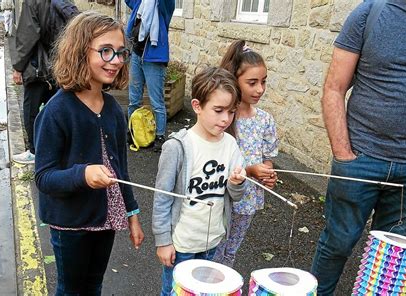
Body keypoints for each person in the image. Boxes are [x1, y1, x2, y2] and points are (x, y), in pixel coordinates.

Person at [34, 12, 145, 295]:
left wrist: (132, 214)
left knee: (94, 285)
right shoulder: (57, 111)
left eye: (121, 53)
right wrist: (82, 174)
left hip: (105, 218)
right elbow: (44, 178)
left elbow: (121, 170)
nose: (116, 60)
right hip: (71, 223)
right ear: (79, 51)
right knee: (71, 289)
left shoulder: (113, 110)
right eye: (105, 51)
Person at [311, 1, 406, 294]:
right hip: (360, 158)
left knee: (392, 263)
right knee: (337, 245)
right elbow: (334, 87)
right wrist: (344, 155)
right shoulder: (371, 13)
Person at [152, 66, 247, 296]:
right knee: (175, 292)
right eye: (218, 110)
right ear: (197, 106)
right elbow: (162, 198)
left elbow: (236, 196)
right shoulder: (177, 147)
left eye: (231, 111)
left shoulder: (231, 145)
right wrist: (163, 241)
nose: (226, 118)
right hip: (181, 243)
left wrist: (237, 183)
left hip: (212, 242)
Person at [212, 40, 279, 267]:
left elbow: (267, 158)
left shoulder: (265, 120)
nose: (260, 89)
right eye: (252, 83)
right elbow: (213, 164)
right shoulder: (222, 119)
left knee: (230, 251)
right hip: (220, 199)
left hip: (248, 200)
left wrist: (267, 174)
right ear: (234, 80)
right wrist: (250, 171)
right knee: (213, 250)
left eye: (263, 82)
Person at [11, 0, 59, 164]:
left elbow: (27, 36)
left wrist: (18, 67)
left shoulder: (32, 2)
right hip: (59, 66)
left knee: (31, 111)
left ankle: (34, 151)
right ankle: (56, 150)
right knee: (56, 110)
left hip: (38, 67)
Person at [124, 0, 175, 152]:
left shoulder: (163, 8)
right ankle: (132, 130)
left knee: (156, 101)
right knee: (134, 98)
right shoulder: (139, 3)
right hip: (136, 55)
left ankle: (160, 135)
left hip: (154, 58)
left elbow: (168, 3)